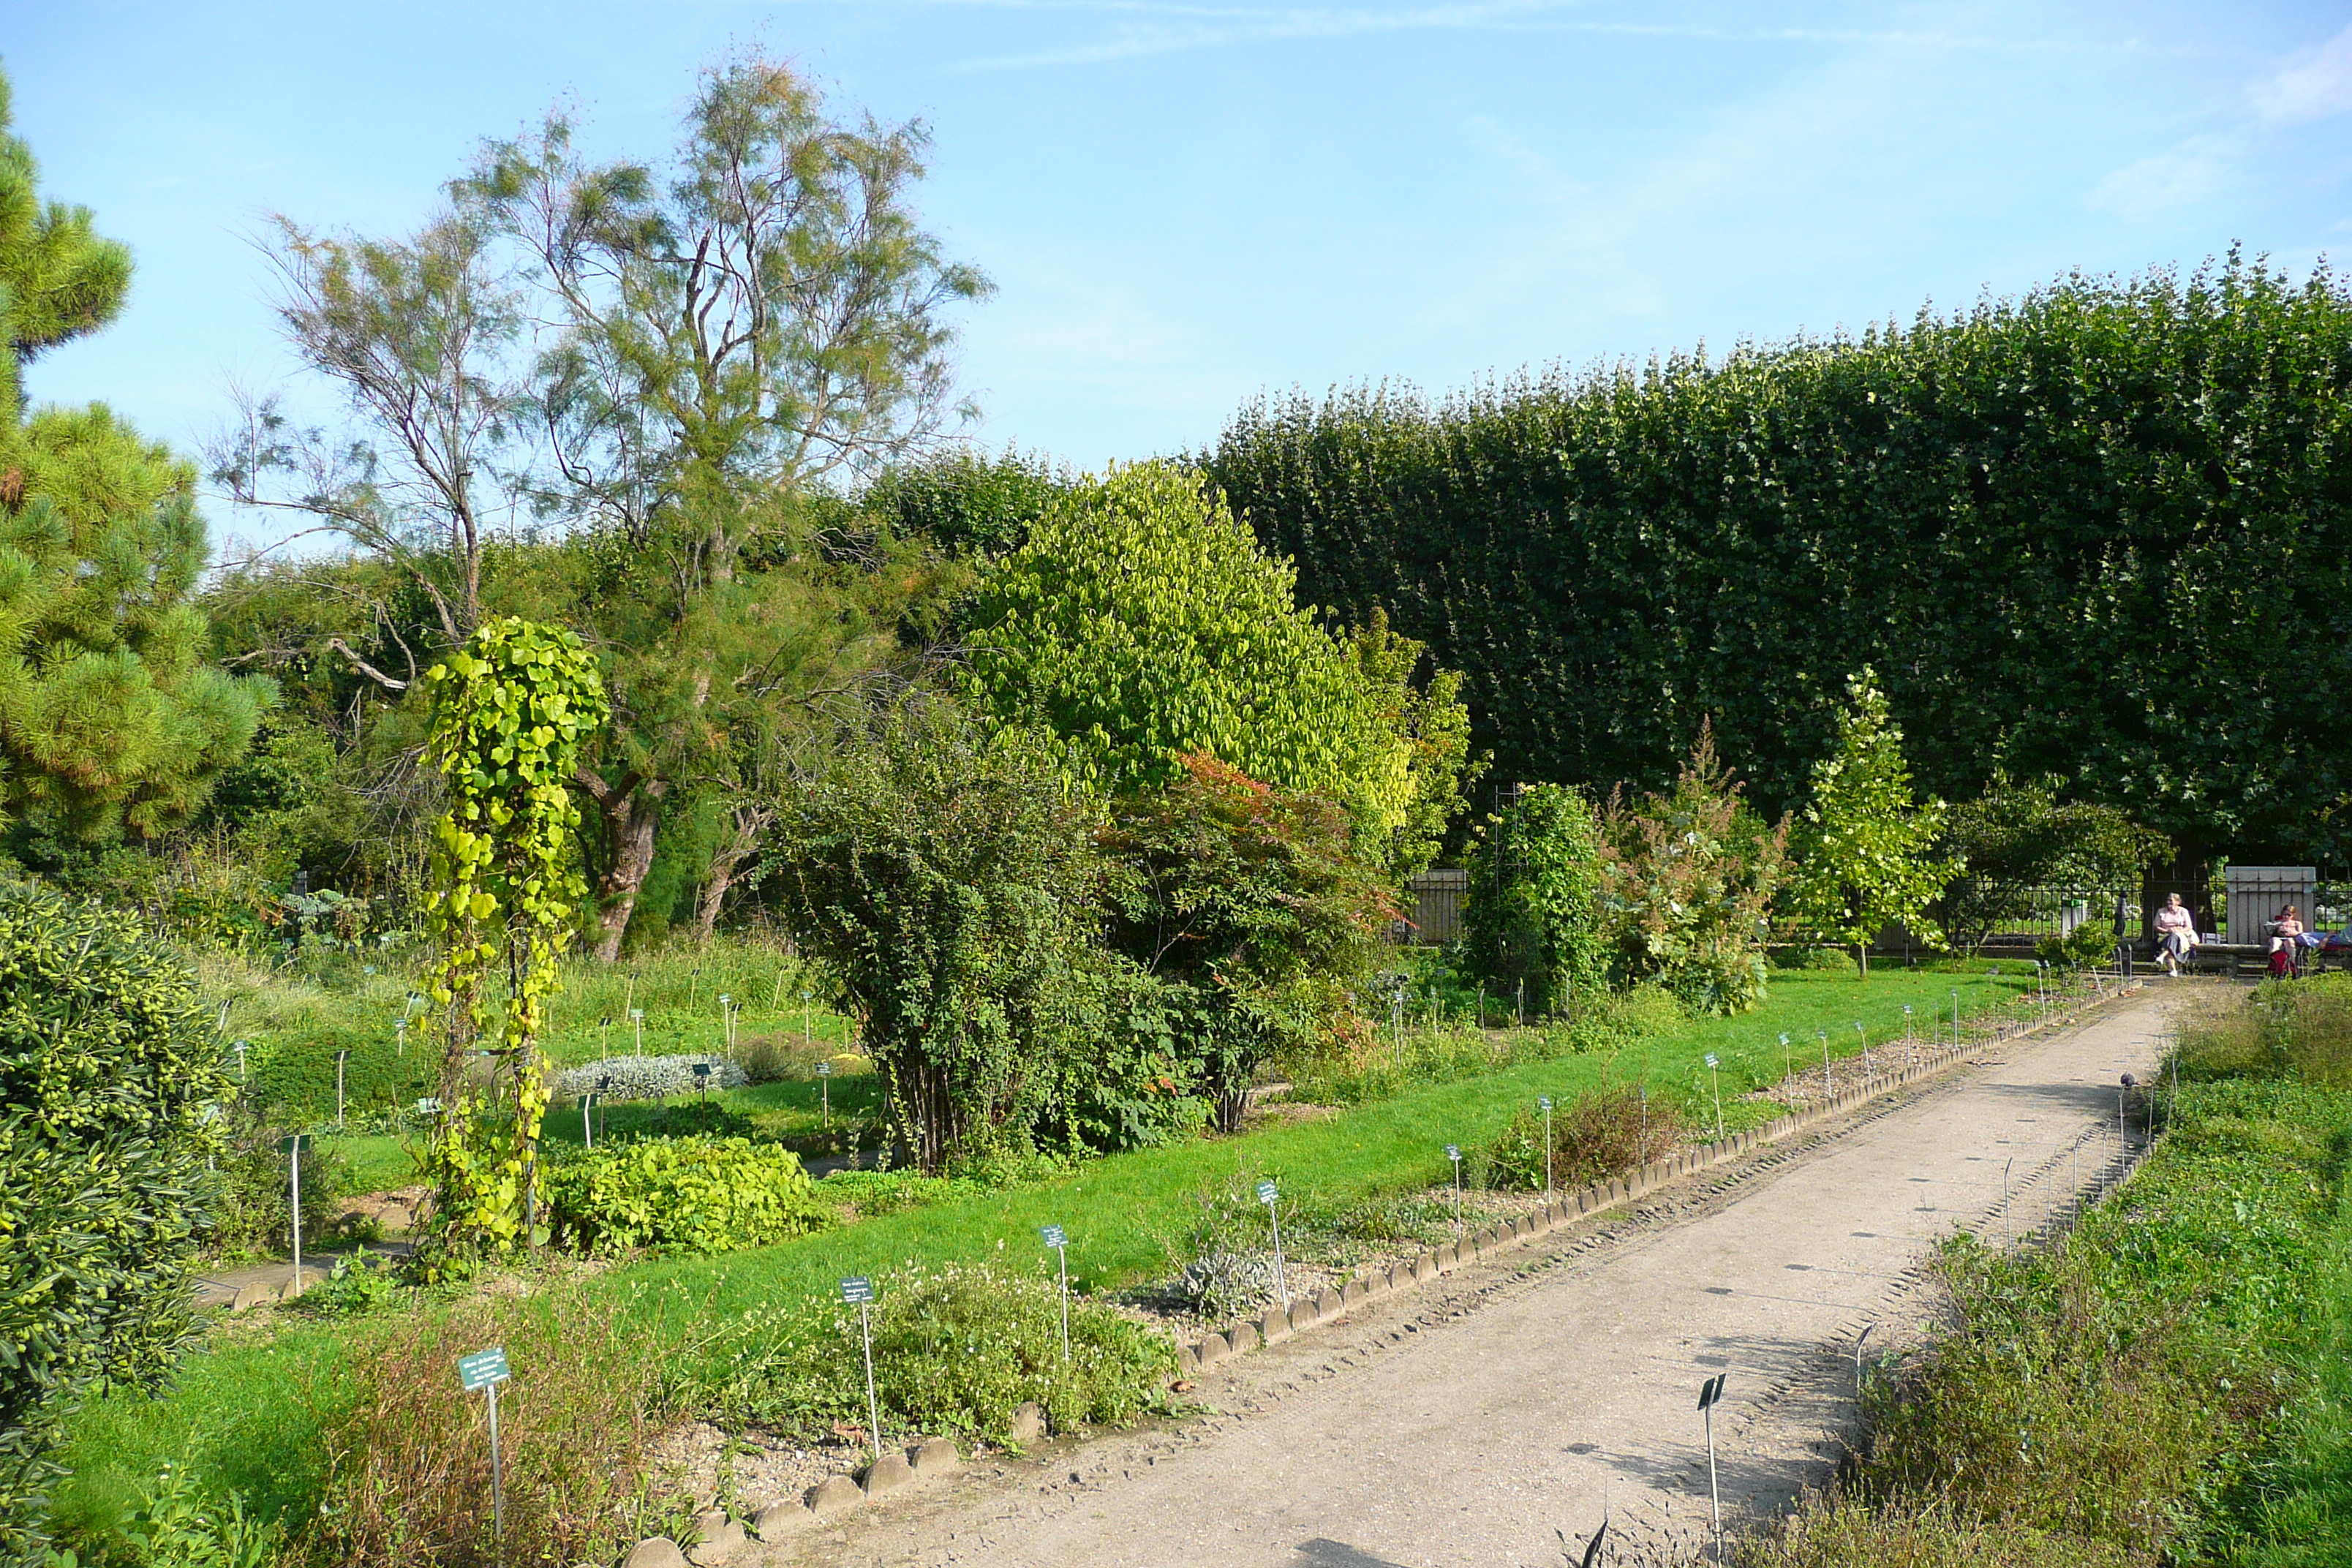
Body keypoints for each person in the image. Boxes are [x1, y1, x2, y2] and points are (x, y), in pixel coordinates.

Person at [2154, 893, 2195, 977]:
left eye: (2171, 900)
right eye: (2167, 900)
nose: (2168, 902)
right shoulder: (2161, 911)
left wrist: (2178, 931)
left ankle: (2166, 962)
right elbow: (2156, 926)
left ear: (2177, 902)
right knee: (2171, 940)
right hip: (2165, 935)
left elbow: (2189, 927)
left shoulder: (2183, 911)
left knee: (2173, 938)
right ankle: (2171, 968)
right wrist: (2166, 931)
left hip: (2181, 935)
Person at [2270, 904, 2306, 979]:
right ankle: (2275, 966)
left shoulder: (2297, 923)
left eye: (2288, 915)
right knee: (2274, 943)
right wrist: (2277, 930)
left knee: (2290, 943)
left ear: (2293, 915)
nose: (2286, 917)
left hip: (2290, 938)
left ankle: (2291, 967)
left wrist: (2291, 932)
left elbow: (2300, 934)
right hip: (2278, 937)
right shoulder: (2277, 923)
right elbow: (2270, 934)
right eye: (2284, 915)